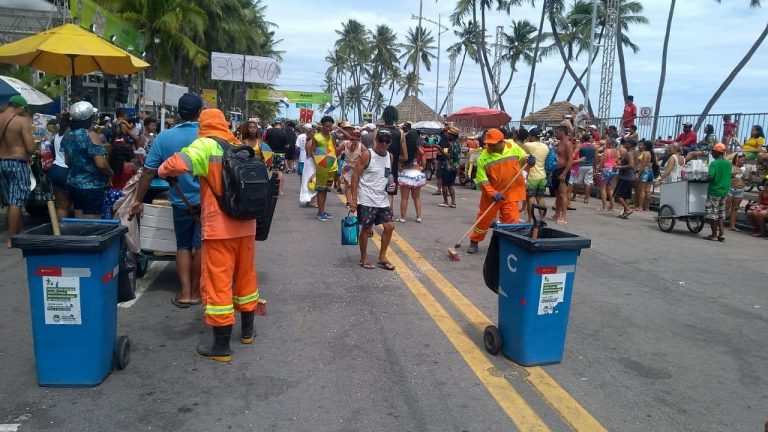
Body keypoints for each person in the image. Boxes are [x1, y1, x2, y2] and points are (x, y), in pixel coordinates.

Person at [156, 108, 260, 362]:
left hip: (219, 227)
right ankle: (247, 332)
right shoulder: (239, 145)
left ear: (203, 125)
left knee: (218, 282)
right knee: (245, 276)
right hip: (246, 225)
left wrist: (163, 171)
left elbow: (175, 165)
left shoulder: (205, 145)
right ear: (224, 124)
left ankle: (221, 346)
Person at [130, 93, 203, 308]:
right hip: (206, 201)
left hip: (180, 201)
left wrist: (138, 199)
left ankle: (185, 293)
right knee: (201, 247)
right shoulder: (206, 136)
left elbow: (148, 172)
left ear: (179, 112)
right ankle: (197, 293)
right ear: (199, 112)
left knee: (182, 245)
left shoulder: (164, 137)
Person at [466, 129, 535, 254]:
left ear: (501, 141)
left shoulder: (513, 147)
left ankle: (507, 245)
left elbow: (524, 160)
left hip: (510, 192)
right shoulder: (484, 157)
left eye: (493, 144)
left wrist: (530, 161)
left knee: (512, 221)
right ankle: (474, 241)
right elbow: (482, 180)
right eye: (488, 144)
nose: (489, 146)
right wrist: (493, 193)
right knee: (483, 219)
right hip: (492, 194)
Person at [349, 129, 397, 270]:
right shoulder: (367, 155)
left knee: (390, 226)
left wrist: (391, 184)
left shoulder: (390, 156)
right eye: (381, 140)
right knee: (366, 228)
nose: (383, 143)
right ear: (376, 140)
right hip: (366, 198)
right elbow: (355, 176)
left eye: (387, 141)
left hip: (382, 198)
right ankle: (363, 258)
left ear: (390, 142)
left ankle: (382, 257)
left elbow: (387, 174)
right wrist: (353, 199)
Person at [61, 101, 114, 219]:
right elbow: (101, 164)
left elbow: (67, 161)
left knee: (79, 221)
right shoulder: (91, 135)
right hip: (91, 186)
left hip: (73, 184)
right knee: (91, 224)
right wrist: (111, 173)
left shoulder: (67, 135)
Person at [0, 95, 36, 246]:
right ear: (19, 107)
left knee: (10, 201)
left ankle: (19, 231)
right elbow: (30, 148)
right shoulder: (22, 121)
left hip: (1, 162)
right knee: (16, 202)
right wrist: (34, 148)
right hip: (17, 162)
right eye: (24, 109)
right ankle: (10, 239)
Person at [306, 116, 339, 221]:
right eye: (327, 126)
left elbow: (349, 137)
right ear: (322, 125)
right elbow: (311, 151)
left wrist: (339, 128)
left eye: (330, 126)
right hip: (322, 168)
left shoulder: (332, 136)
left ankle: (322, 210)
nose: (329, 128)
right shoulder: (317, 137)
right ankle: (320, 212)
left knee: (325, 190)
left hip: (332, 166)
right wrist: (317, 162)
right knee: (320, 190)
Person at [396, 122, 426, 223]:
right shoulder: (420, 150)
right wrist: (421, 168)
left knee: (404, 198)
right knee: (417, 197)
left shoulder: (404, 151)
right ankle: (419, 217)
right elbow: (424, 163)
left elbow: (400, 162)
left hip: (406, 174)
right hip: (417, 175)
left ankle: (402, 217)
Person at [703, 143, 732, 242]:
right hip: (724, 191)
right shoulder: (728, 163)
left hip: (714, 191)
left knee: (713, 214)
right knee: (721, 213)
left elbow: (711, 176)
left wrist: (704, 179)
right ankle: (722, 234)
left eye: (713, 151)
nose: (712, 153)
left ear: (716, 152)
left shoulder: (714, 163)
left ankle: (714, 235)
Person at [379, 106, 407, 207]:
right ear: (396, 117)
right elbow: (405, 157)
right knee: (390, 194)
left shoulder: (377, 132)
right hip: (392, 170)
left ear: (384, 116)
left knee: (378, 193)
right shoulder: (400, 133)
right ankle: (388, 215)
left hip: (378, 168)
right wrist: (394, 159)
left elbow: (373, 152)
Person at [522, 127, 550, 221]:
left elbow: (521, 149)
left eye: (529, 136)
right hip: (542, 176)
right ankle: (541, 218)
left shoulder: (528, 145)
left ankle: (530, 219)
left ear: (532, 136)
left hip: (532, 176)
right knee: (540, 198)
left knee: (530, 198)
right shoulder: (545, 147)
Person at [102, 144, 136, 219]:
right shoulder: (131, 165)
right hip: (125, 193)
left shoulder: (110, 165)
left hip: (111, 194)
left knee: (110, 216)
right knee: (123, 217)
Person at [48, 114, 71, 218]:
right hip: (66, 171)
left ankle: (59, 232)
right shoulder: (71, 135)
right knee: (76, 206)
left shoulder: (57, 135)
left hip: (55, 169)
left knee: (61, 206)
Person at [552, 125, 574, 224]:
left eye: (557, 132)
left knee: (563, 194)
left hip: (563, 170)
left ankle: (563, 216)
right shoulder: (560, 143)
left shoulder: (567, 144)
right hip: (557, 170)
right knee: (557, 194)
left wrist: (564, 173)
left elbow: (570, 160)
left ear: (562, 132)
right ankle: (557, 214)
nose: (555, 134)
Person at [437, 126, 461, 208]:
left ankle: (445, 201)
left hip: (448, 167)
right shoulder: (458, 144)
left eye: (449, 134)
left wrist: (440, 149)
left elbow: (448, 156)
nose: (447, 135)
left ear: (453, 136)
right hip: (455, 167)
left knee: (444, 184)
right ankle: (453, 202)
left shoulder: (451, 145)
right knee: (450, 185)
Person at [264, 120, 287, 195]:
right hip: (281, 154)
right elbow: (286, 145)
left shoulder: (269, 131)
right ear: (281, 125)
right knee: (280, 171)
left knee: (270, 170)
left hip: (271, 153)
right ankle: (279, 190)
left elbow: (265, 142)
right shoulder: (283, 132)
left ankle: (269, 189)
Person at [341, 130, 364, 205]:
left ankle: (348, 201)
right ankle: (355, 199)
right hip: (356, 167)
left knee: (347, 184)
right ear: (359, 138)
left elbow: (337, 151)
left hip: (346, 166)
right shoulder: (361, 145)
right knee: (356, 184)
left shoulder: (345, 144)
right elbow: (367, 153)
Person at [613, 139, 636, 218]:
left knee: (618, 195)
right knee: (625, 196)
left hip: (626, 177)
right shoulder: (634, 152)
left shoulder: (629, 153)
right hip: (630, 177)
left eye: (626, 142)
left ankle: (627, 209)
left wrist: (619, 167)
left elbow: (631, 165)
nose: (625, 144)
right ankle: (625, 212)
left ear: (630, 144)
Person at [596, 139, 619, 211]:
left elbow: (603, 161)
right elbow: (617, 162)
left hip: (606, 170)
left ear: (609, 144)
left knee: (602, 188)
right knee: (610, 189)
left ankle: (604, 206)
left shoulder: (607, 151)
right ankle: (612, 205)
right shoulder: (617, 152)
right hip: (614, 170)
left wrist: (598, 169)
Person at [573, 133, 596, 205]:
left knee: (577, 182)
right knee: (588, 182)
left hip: (581, 165)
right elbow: (596, 157)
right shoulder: (594, 146)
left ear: (582, 139)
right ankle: (586, 198)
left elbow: (574, 153)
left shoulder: (580, 146)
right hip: (590, 166)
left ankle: (574, 197)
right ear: (589, 139)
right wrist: (594, 166)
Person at [726, 153, 746, 232]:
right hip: (730, 188)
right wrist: (733, 174)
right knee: (726, 207)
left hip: (740, 189)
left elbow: (748, 180)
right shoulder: (730, 166)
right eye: (741, 160)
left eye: (744, 160)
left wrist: (749, 175)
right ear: (737, 159)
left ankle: (732, 226)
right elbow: (726, 176)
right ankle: (720, 223)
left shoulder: (744, 169)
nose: (743, 162)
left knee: (735, 208)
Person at [635, 140, 656, 211]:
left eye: (643, 145)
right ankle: (646, 207)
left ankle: (640, 206)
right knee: (648, 190)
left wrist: (638, 174)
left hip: (645, 172)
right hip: (650, 171)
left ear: (645, 146)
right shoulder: (650, 153)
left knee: (642, 190)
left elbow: (642, 165)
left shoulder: (645, 153)